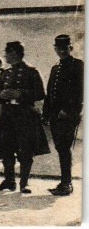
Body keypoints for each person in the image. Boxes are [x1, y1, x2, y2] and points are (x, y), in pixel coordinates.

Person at [0, 41, 48, 194]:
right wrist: (0, 94)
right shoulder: (6, 72)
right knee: (6, 148)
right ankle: (9, 181)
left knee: (25, 150)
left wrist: (21, 94)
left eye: (7, 53)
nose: (5, 56)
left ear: (15, 53)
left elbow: (41, 93)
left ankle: (24, 183)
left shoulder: (31, 71)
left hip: (25, 115)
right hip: (7, 114)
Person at [43, 34, 83, 196]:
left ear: (70, 48)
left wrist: (67, 110)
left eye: (64, 49)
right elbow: (49, 92)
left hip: (68, 115)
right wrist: (46, 114)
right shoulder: (55, 68)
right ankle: (64, 181)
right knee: (60, 147)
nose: (61, 52)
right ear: (55, 49)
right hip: (55, 115)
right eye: (58, 49)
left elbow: (80, 91)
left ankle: (67, 183)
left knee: (64, 148)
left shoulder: (78, 65)